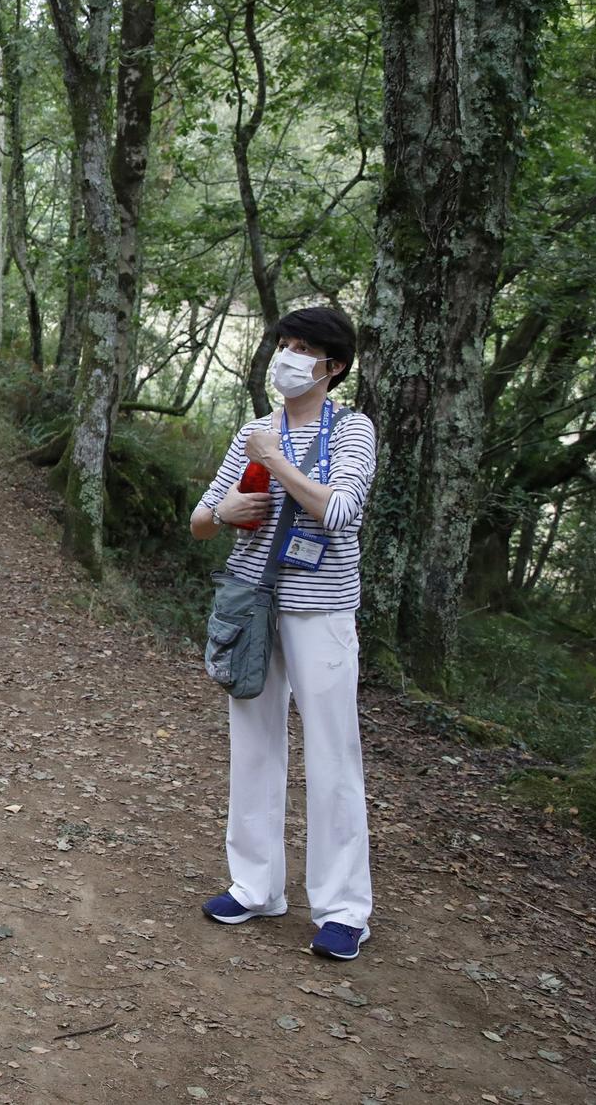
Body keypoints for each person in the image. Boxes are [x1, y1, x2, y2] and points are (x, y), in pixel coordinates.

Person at [188, 307, 377, 960]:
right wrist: (223, 511)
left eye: (303, 349)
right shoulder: (254, 430)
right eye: (285, 345)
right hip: (254, 607)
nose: (289, 358)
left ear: (334, 365)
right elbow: (200, 518)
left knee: (333, 754)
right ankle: (254, 884)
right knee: (254, 745)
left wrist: (277, 460)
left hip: (320, 609)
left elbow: (341, 510)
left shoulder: (353, 431)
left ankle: (343, 909)